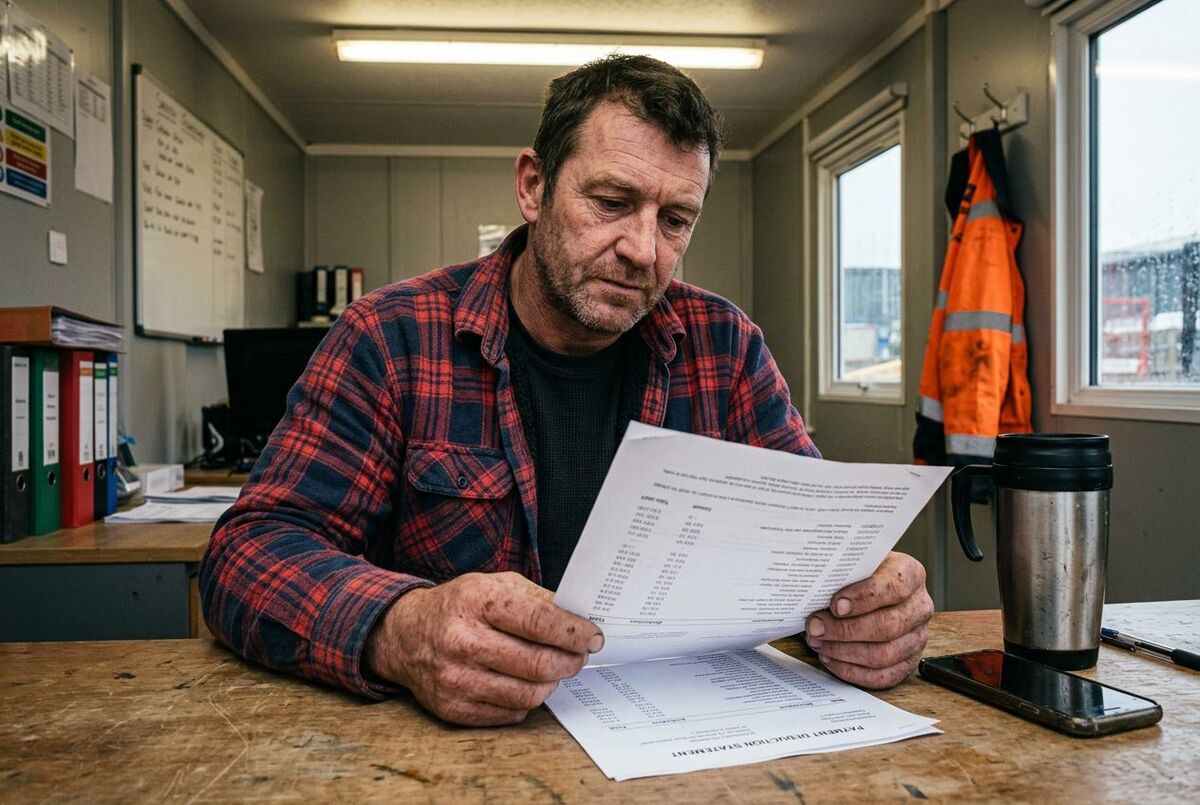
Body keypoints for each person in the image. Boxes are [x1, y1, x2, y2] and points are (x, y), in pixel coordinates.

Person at [201, 55, 933, 727]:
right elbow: (248, 553)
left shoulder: (725, 347)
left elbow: (819, 545)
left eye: (675, 220)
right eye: (612, 201)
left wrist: (873, 602)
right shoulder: (389, 339)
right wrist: (401, 628)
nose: (644, 250)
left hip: (684, 738)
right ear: (533, 185)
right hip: (453, 756)